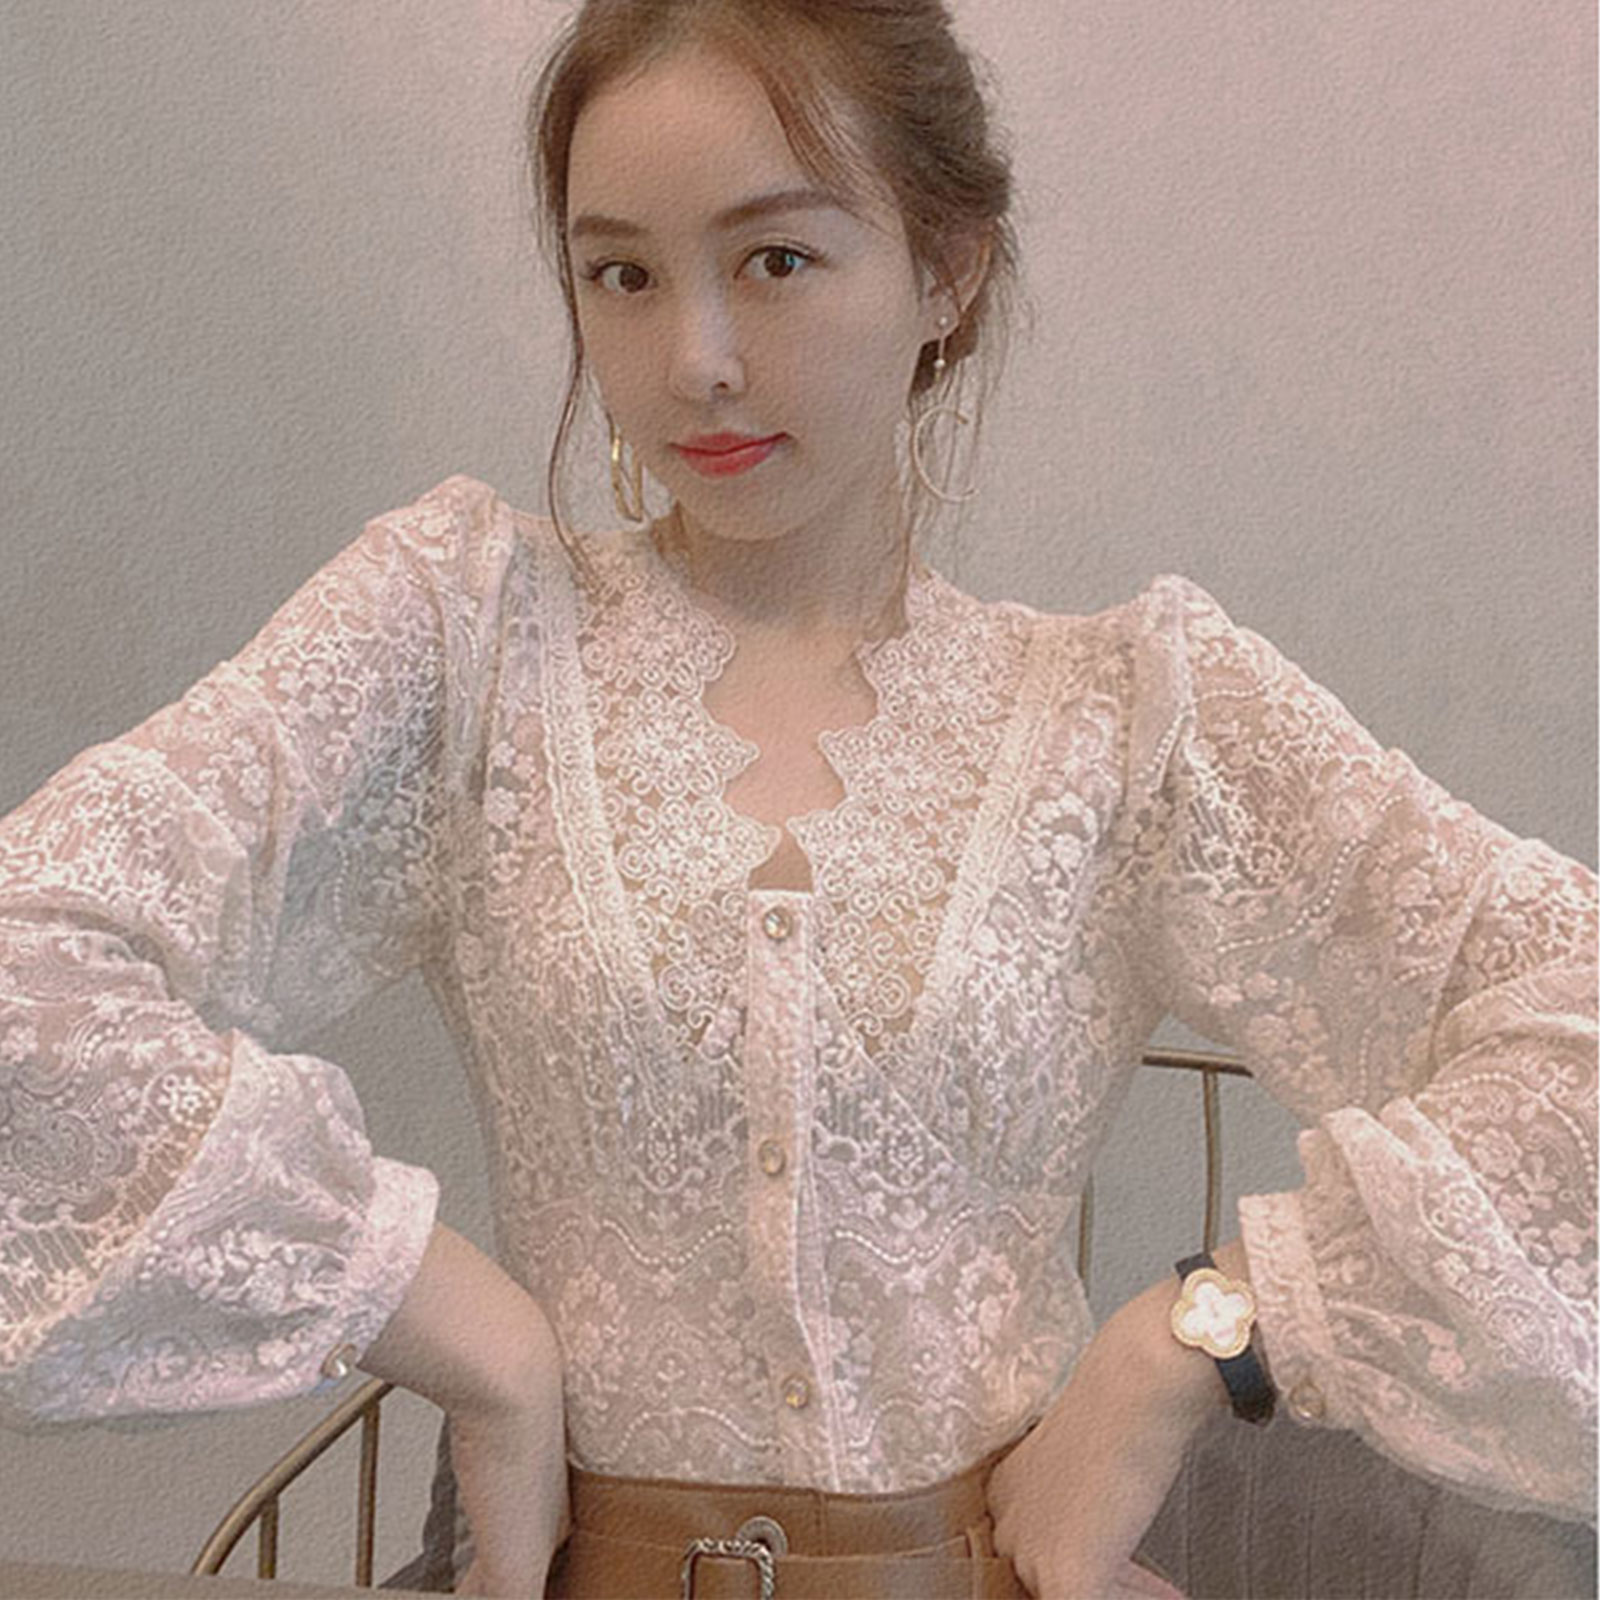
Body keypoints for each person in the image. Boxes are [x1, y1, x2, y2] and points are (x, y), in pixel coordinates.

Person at [0, 1, 1593, 1596]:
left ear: (947, 268)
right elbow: (29, 967)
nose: (693, 361)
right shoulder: (462, 636)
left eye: (775, 260)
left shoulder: (1130, 717)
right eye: (621, 275)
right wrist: (449, 1316)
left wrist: (1194, 1344)